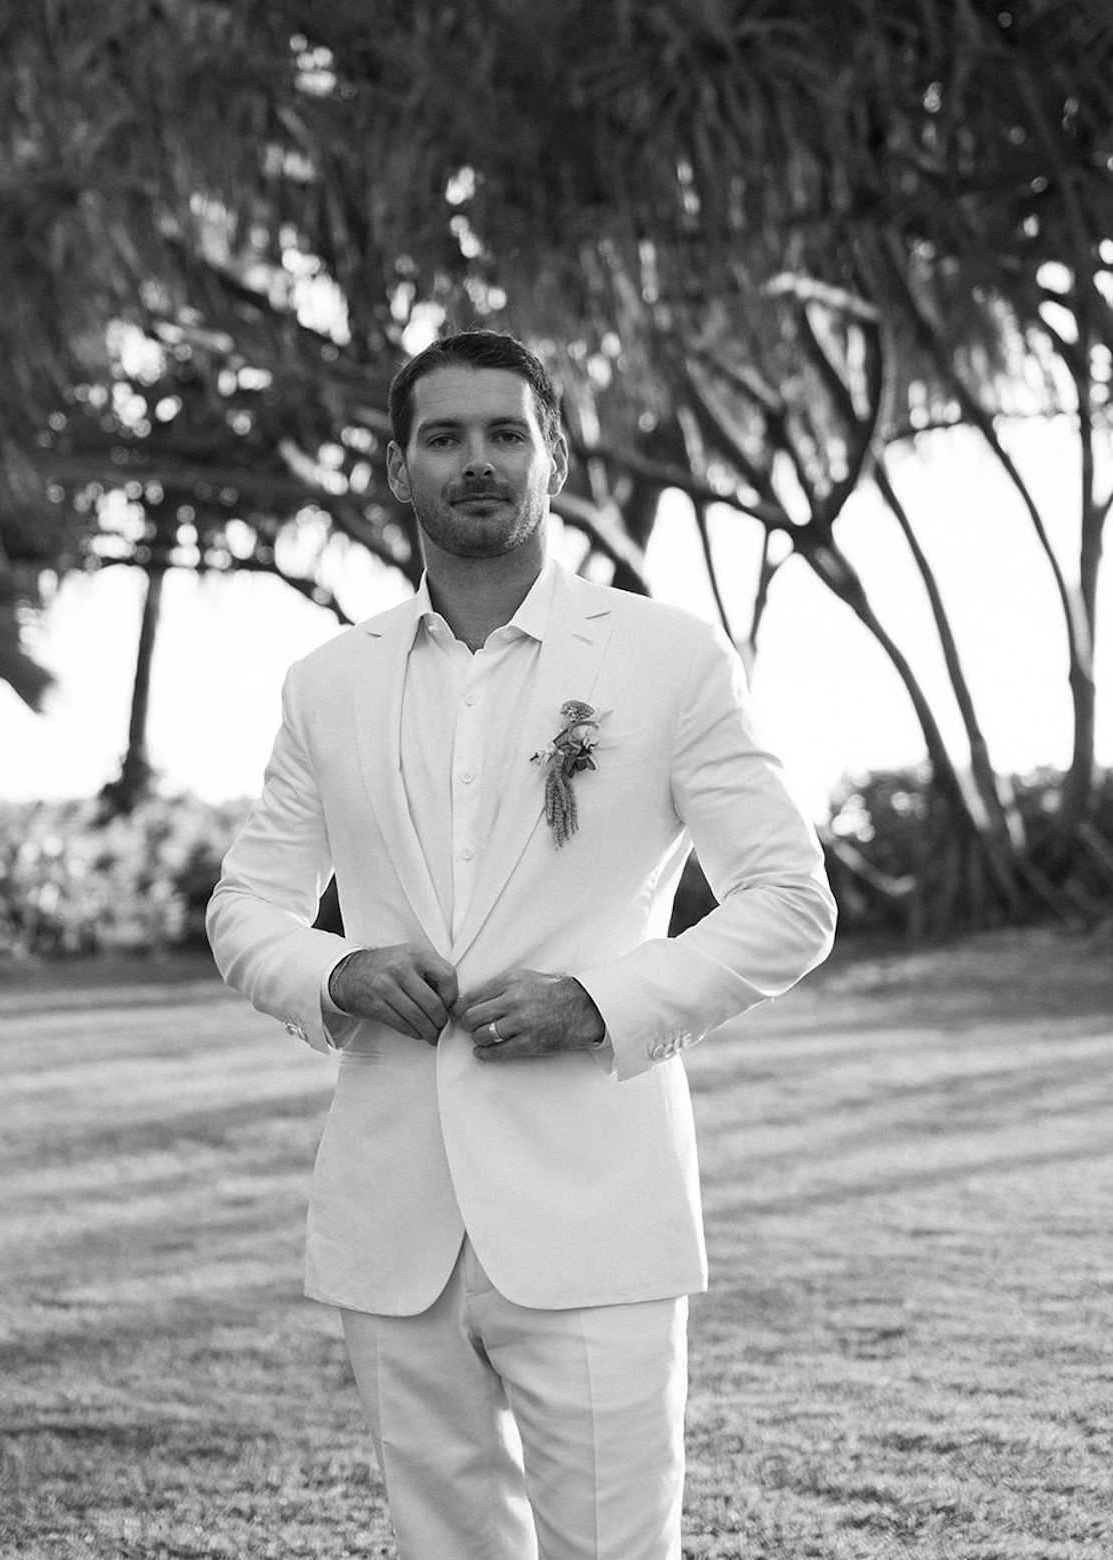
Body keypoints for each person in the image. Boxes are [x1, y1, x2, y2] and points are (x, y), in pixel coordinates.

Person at [207, 329, 836, 1560]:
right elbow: (244, 909)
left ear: (552, 456)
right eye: (443, 437)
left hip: (594, 1209)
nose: (477, 461)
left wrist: (598, 1004)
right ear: (398, 468)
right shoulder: (326, 682)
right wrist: (336, 971)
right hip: (396, 1222)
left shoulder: (665, 658)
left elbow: (787, 899)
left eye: (506, 433)